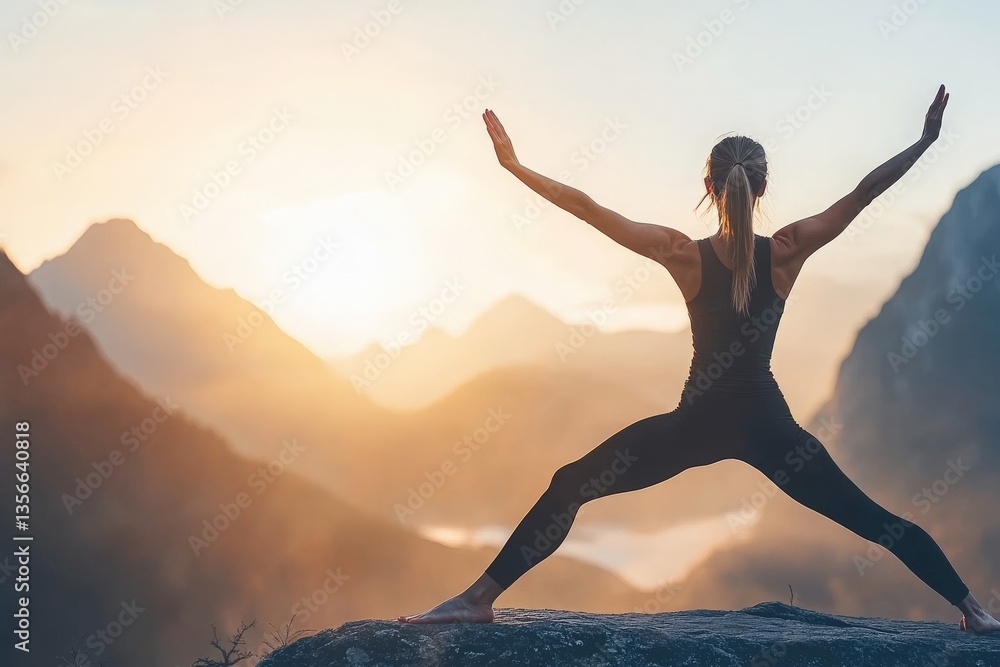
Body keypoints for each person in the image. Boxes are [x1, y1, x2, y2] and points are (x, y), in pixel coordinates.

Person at [398, 84, 1000, 633]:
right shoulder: (787, 250)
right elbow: (864, 193)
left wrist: (514, 166)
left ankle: (477, 599)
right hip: (769, 427)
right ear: (762, 188)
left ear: (708, 186)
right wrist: (924, 141)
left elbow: (588, 208)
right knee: (876, 520)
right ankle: (975, 612)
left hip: (694, 424)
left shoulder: (681, 252)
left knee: (569, 485)